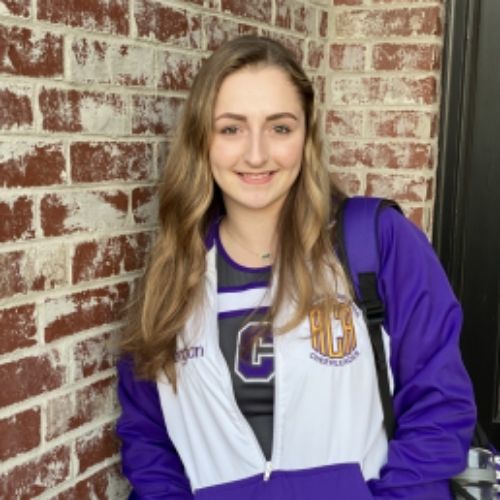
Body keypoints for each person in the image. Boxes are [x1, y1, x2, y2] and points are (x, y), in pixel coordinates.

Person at [116, 35, 476, 499]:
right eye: (231, 128)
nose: (257, 154)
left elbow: (439, 403)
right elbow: (148, 438)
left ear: (307, 136)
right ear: (200, 139)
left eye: (280, 128)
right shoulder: (174, 275)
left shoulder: (377, 243)